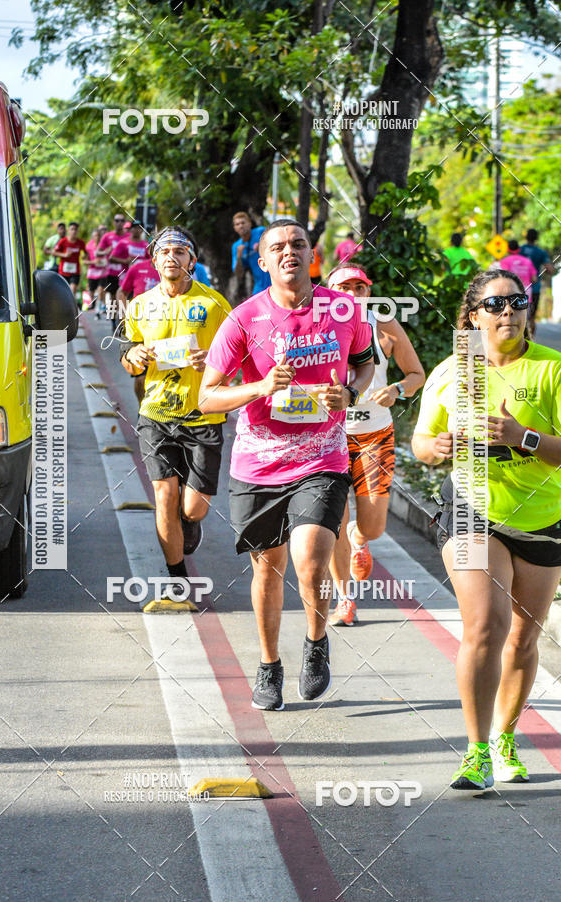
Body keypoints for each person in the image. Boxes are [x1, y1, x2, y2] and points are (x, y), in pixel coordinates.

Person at [200, 219, 375, 711]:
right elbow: (207, 397)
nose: (288, 252)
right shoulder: (243, 319)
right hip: (257, 465)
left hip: (322, 458)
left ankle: (316, 642)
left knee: (311, 560)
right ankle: (269, 665)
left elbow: (365, 363)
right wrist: (259, 387)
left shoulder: (344, 310)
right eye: (277, 247)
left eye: (298, 244)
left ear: (312, 254)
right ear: (263, 261)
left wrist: (351, 391)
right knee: (268, 569)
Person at [412, 269, 561, 791]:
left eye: (517, 301)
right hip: (471, 511)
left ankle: (504, 737)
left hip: (542, 518)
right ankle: (476, 753)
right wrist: (437, 448)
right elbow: (422, 443)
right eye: (495, 305)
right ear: (473, 316)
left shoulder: (552, 369)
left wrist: (524, 438)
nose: (508, 312)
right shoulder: (455, 370)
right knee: (486, 624)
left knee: (523, 637)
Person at [120, 226, 232, 601]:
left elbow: (241, 357)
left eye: (179, 251)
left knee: (194, 509)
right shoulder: (139, 305)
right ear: (154, 261)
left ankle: (189, 519)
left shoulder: (215, 304)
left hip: (203, 414)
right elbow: (128, 357)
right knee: (164, 496)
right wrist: (132, 356)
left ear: (192, 261)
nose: (172, 257)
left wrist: (213, 360)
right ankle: (177, 580)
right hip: (156, 414)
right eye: (164, 252)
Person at [326, 264, 425, 626]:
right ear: (330, 292)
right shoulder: (318, 324)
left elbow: (416, 375)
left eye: (360, 287)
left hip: (375, 434)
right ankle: (344, 599)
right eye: (344, 287)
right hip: (330, 436)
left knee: (373, 527)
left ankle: (360, 538)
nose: (353, 294)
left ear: (369, 292)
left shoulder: (383, 323)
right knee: (334, 523)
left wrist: (397, 389)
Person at [118, 247, 161, 405]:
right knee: (141, 376)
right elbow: (122, 292)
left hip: (169, 327)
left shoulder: (176, 271)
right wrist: (124, 315)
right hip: (141, 328)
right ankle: (142, 409)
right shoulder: (137, 268)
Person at [520, 228, 554, 334]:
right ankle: (531, 340)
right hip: (534, 288)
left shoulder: (520, 250)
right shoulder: (540, 252)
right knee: (532, 318)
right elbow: (550, 270)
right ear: (536, 238)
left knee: (519, 315)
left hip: (519, 288)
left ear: (526, 237)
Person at [98, 213, 128, 329]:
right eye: (117, 220)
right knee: (112, 297)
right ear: (114, 222)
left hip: (126, 272)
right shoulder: (108, 236)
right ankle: (113, 321)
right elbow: (98, 252)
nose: (119, 223)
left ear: (124, 223)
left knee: (123, 296)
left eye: (122, 220)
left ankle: (121, 320)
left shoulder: (129, 236)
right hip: (111, 272)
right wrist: (106, 252)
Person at [231, 211, 271, 296]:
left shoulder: (261, 232)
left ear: (250, 224)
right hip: (260, 288)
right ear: (234, 228)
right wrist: (239, 257)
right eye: (237, 224)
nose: (241, 226)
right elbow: (239, 273)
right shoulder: (236, 246)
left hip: (275, 282)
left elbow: (278, 242)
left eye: (243, 223)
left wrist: (263, 246)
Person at [53, 222, 87, 300]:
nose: (74, 231)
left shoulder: (80, 242)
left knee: (72, 290)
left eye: (76, 229)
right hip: (63, 271)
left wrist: (84, 257)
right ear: (68, 230)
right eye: (72, 229)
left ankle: (71, 305)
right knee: (63, 292)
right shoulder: (63, 241)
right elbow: (54, 252)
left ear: (77, 231)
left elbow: (86, 253)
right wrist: (64, 255)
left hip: (75, 271)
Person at [85, 226, 106, 315]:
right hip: (92, 272)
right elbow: (84, 261)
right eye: (95, 236)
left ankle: (99, 306)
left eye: (98, 235)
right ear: (92, 237)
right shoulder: (88, 246)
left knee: (101, 289)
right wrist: (93, 262)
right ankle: (93, 303)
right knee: (91, 291)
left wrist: (104, 261)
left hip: (102, 272)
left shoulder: (104, 245)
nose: (96, 237)